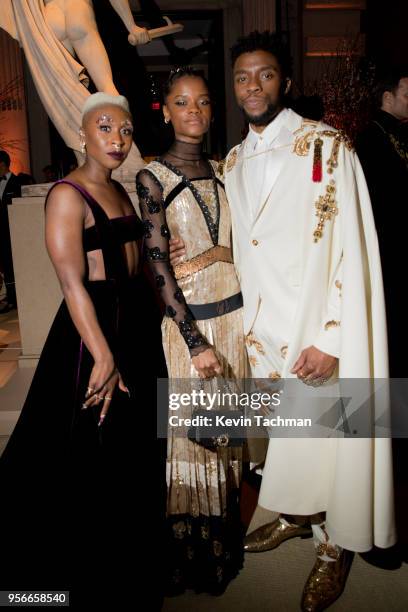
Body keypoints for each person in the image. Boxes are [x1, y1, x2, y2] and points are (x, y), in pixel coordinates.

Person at [170, 32, 396, 611]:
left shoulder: (327, 145)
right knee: (286, 444)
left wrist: (333, 338)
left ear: (285, 82)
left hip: (313, 329)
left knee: (330, 440)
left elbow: (354, 249)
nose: (253, 86)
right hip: (259, 334)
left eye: (265, 75)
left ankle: (332, 546)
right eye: (243, 77)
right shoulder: (235, 161)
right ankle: (298, 514)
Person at [0, 93, 166, 606]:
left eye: (125, 130)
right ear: (82, 134)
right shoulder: (67, 195)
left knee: (135, 446)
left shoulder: (118, 189)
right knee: (89, 455)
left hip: (135, 322)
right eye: (105, 128)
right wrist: (103, 355)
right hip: (94, 332)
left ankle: (132, 561)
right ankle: (76, 583)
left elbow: (132, 255)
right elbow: (71, 283)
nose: (117, 140)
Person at [136, 67, 247, 595]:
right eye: (183, 103)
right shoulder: (151, 176)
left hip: (235, 318)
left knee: (225, 438)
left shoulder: (228, 168)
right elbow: (158, 266)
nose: (195, 112)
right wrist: (195, 342)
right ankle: (191, 553)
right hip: (192, 329)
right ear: (166, 110)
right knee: (192, 440)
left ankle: (224, 538)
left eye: (203, 102)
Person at [356, 69, 408, 377]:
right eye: (406, 95)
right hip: (389, 247)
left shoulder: (402, 132)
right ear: (387, 98)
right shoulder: (369, 137)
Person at [0, 150, 21, 312]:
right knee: (5, 267)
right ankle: (9, 297)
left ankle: (15, 299)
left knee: (13, 266)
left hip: (12, 233)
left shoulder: (19, 183)